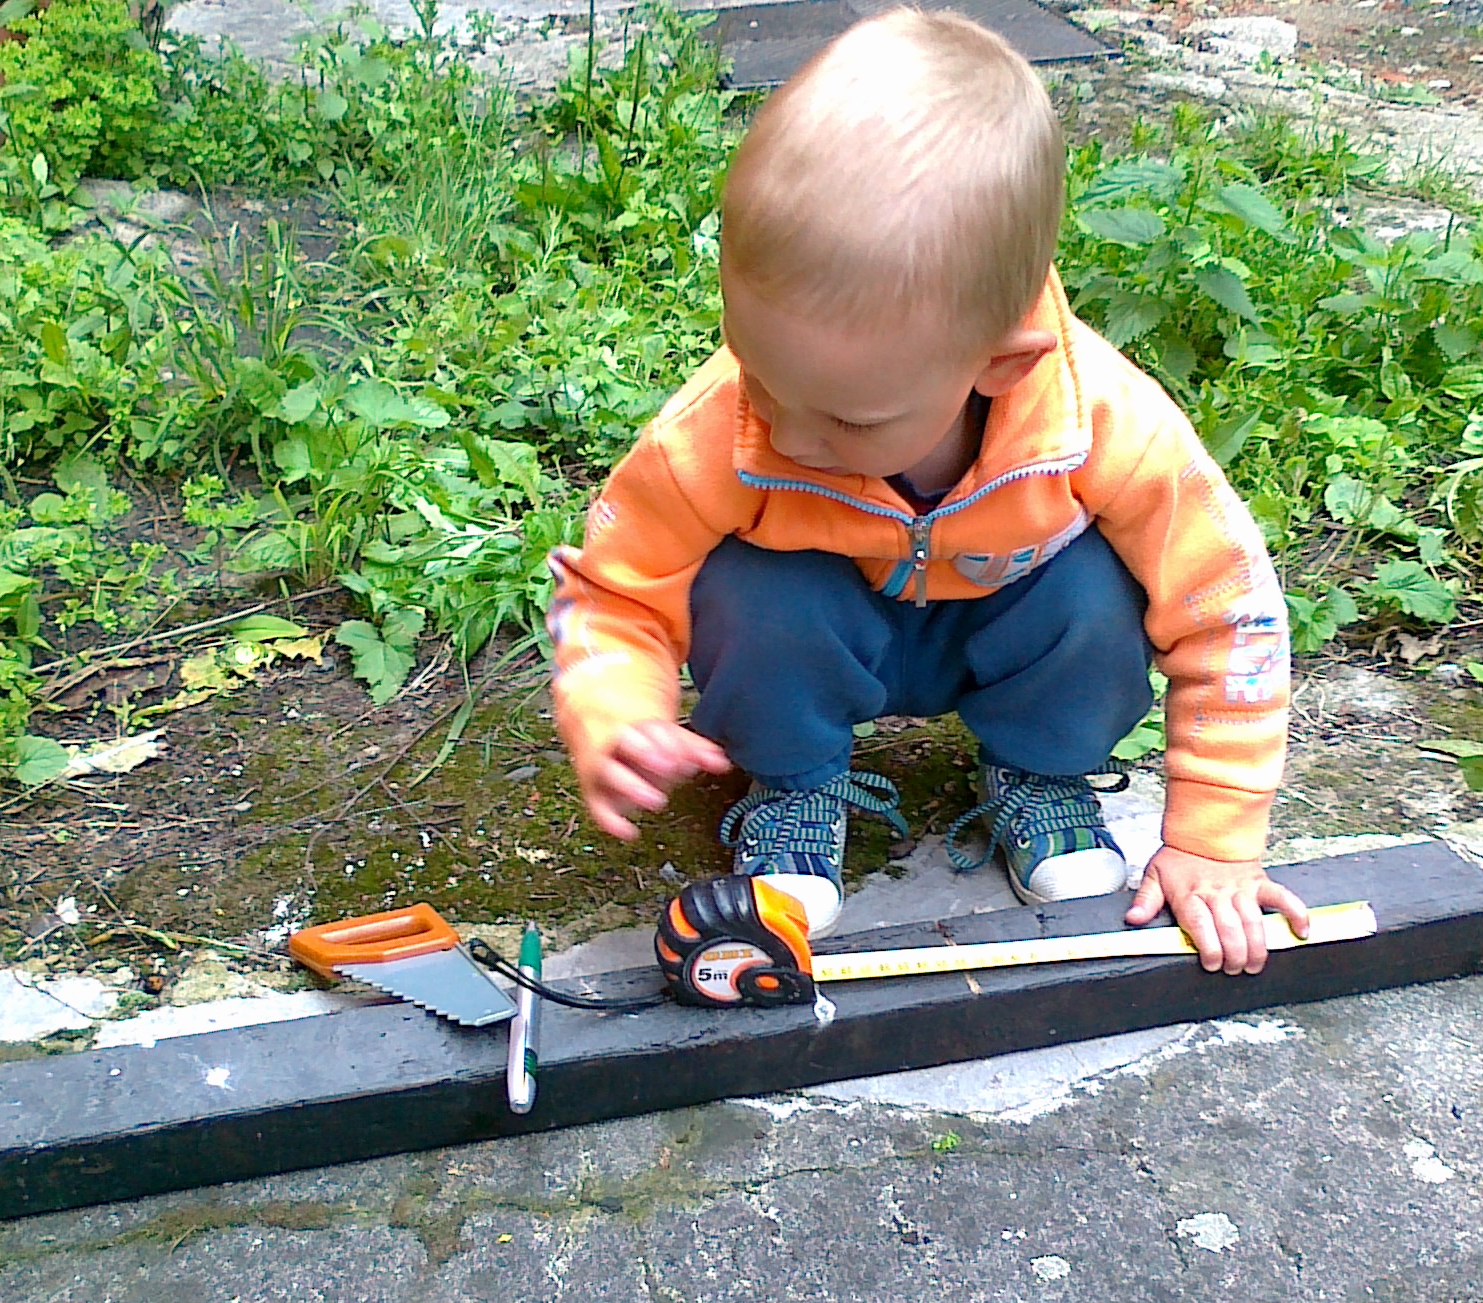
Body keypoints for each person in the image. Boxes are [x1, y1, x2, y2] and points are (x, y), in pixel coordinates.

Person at [545, 7, 1308, 974]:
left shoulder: (1100, 423)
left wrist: (1214, 839)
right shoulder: (723, 426)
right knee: (745, 589)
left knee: (1101, 589)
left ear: (1000, 363)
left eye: (848, 420)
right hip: (822, 626)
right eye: (758, 375)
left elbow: (1231, 613)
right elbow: (613, 589)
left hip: (1009, 619)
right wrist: (614, 703)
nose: (784, 435)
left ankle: (1039, 770)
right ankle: (794, 785)